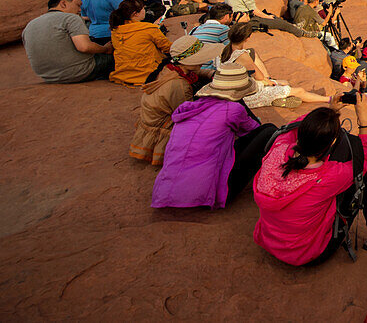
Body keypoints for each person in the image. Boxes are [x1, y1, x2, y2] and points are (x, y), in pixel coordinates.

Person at [253, 103, 367, 265]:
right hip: (306, 253)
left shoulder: (277, 150)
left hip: (269, 240)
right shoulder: (329, 176)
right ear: (332, 143)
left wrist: (329, 112)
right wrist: (363, 122)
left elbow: (292, 126)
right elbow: (363, 163)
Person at [152, 65, 278, 209]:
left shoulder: (192, 106)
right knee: (269, 131)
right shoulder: (232, 109)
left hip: (166, 191)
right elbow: (254, 129)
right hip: (205, 193)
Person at [130, 35, 221, 165]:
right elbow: (187, 116)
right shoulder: (179, 85)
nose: (202, 61)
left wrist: (209, 74)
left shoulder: (170, 68)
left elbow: (196, 73)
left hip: (154, 118)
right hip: (165, 126)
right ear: (187, 61)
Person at [215, 21, 330, 107]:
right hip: (245, 97)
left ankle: (278, 98)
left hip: (234, 90)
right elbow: (259, 77)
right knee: (297, 90)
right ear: (247, 38)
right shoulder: (242, 55)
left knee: (283, 83)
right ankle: (328, 99)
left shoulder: (223, 51)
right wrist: (268, 82)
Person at [23, 0, 114, 83]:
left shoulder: (30, 25)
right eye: (78, 5)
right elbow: (84, 47)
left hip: (48, 77)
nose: (79, 10)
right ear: (63, 4)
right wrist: (105, 49)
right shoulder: (70, 18)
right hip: (79, 72)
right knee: (117, 55)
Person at [109, 0, 171, 87]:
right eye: (143, 9)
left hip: (124, 74)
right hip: (148, 74)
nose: (144, 11)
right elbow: (167, 48)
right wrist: (154, 29)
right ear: (135, 14)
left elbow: (138, 35)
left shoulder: (116, 30)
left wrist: (153, 27)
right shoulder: (149, 29)